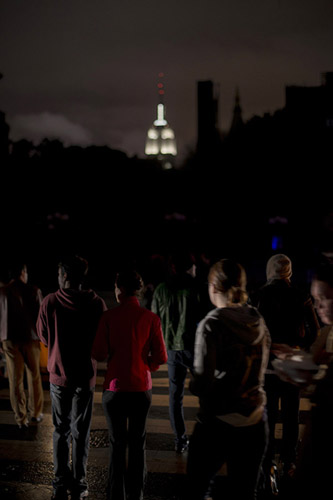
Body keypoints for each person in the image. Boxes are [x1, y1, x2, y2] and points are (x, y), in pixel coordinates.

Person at [186, 259, 270, 500]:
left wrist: (193, 382)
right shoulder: (258, 321)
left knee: (197, 489)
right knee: (244, 492)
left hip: (218, 422)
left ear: (213, 287)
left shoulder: (212, 324)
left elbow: (202, 383)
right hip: (254, 421)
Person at [92, 269, 167, 500]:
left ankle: (116, 494)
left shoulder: (109, 318)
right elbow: (161, 357)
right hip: (141, 388)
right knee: (137, 443)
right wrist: (146, 367)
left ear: (119, 289)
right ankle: (137, 493)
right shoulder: (151, 318)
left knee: (117, 445)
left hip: (114, 389)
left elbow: (99, 352)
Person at [37, 255, 107, 500]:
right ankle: (79, 482)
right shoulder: (96, 303)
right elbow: (102, 339)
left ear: (65, 276)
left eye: (59, 274)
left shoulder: (50, 302)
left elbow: (44, 336)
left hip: (58, 376)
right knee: (81, 431)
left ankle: (59, 481)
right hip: (85, 376)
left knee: (61, 429)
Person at [254, 253, 319, 483]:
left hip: (268, 366)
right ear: (288, 271)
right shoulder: (300, 295)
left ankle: (267, 461)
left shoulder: (259, 295)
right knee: (291, 415)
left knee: (269, 415)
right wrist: (297, 347)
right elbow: (314, 331)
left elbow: (254, 332)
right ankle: (289, 461)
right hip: (293, 365)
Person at [151, 251, 200, 453]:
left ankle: (180, 440)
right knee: (206, 393)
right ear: (190, 268)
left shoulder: (162, 289)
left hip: (172, 347)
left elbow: (154, 318)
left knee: (175, 395)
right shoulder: (196, 288)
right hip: (194, 348)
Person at [0, 261, 44, 428]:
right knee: (34, 376)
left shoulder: (3, 292)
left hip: (9, 340)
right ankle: (36, 412)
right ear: (23, 272)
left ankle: (20, 417)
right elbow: (41, 317)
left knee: (15, 380)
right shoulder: (33, 290)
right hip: (31, 338)